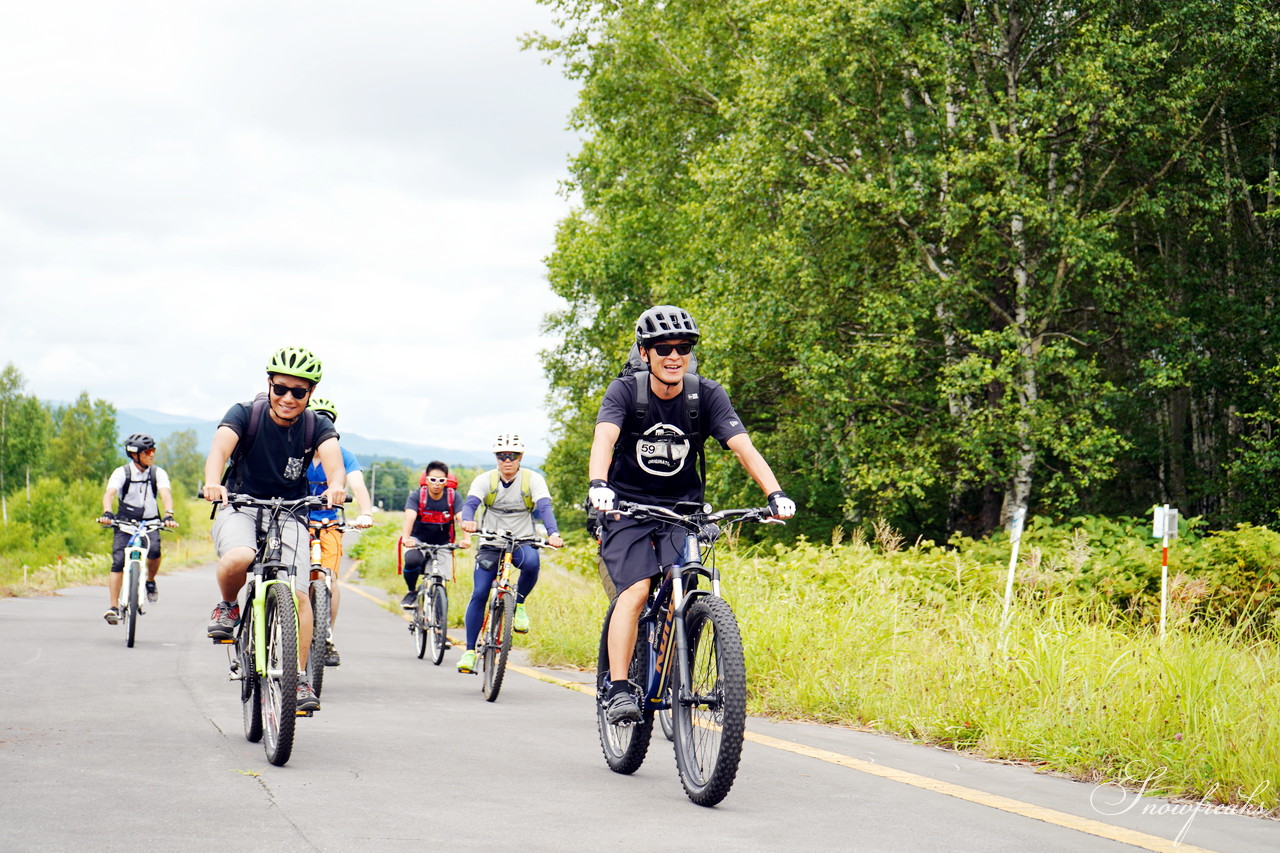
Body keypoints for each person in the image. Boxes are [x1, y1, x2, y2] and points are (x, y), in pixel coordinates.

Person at [587, 305, 796, 722]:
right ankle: (620, 687)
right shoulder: (625, 392)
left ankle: (677, 663)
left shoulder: (707, 395)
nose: (674, 356)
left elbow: (743, 448)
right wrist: (598, 485)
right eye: (662, 348)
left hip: (682, 511)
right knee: (636, 591)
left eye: (683, 347)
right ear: (644, 353)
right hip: (625, 507)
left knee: (683, 578)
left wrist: (774, 492)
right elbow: (604, 440)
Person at [201, 346, 347, 713]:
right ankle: (228, 606)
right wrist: (212, 482)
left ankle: (296, 679)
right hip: (241, 504)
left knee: (298, 596)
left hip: (291, 512)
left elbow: (334, 464)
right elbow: (219, 450)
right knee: (240, 556)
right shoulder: (244, 414)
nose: (288, 398)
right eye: (281, 388)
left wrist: (336, 486)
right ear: (269, 384)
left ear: (310, 393)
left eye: (299, 392)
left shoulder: (317, 426)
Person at [455, 433, 564, 673]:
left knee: (533, 563)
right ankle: (470, 651)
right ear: (496, 457)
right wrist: (468, 520)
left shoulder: (532, 480)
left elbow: (544, 507)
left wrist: (553, 533)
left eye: (512, 456)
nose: (507, 460)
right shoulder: (485, 479)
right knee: (480, 593)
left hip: (522, 540)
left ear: (520, 457)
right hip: (491, 542)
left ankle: (520, 605)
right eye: (502, 455)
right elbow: (471, 503)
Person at [303, 396, 374, 667]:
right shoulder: (297, 451)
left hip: (329, 525)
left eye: (326, 420)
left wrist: (366, 512)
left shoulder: (343, 455)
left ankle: (326, 635)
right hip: (297, 522)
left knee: (330, 580)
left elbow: (357, 485)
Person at [97, 434, 179, 623]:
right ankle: (113, 607)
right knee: (118, 562)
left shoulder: (157, 473)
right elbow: (109, 494)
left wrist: (169, 514)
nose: (152, 455)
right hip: (125, 523)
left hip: (150, 522)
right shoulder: (122, 473)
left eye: (153, 451)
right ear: (135, 455)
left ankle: (150, 581)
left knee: (155, 551)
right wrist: (107, 513)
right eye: (148, 452)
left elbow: (165, 493)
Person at [400, 460, 469, 607]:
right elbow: (409, 517)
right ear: (426, 480)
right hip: (417, 540)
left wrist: (466, 538)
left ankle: (439, 615)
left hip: (443, 543)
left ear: (446, 481)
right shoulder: (417, 496)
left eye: (441, 480)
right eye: (432, 479)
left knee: (440, 579)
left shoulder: (453, 497)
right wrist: (406, 538)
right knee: (412, 560)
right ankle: (411, 591)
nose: (437, 483)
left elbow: (461, 517)